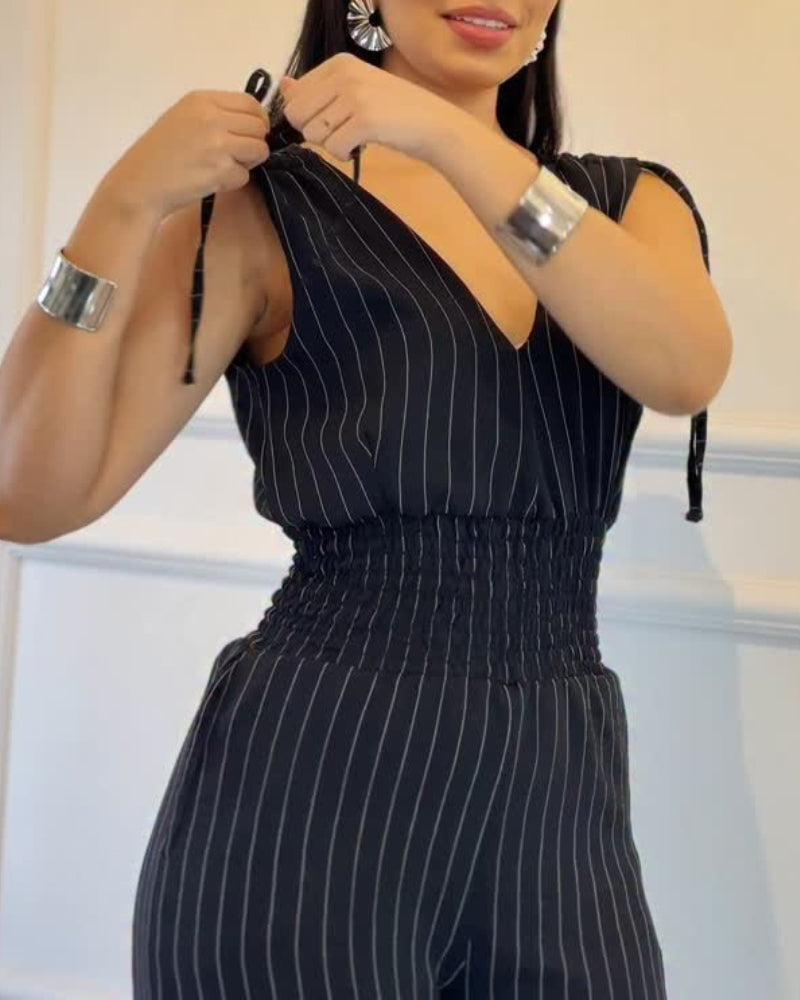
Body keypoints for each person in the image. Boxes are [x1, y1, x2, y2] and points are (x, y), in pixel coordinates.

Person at [0, 0, 732, 995]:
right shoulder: (268, 211)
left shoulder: (630, 204)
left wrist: (445, 135)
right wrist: (119, 210)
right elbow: (29, 494)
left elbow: (684, 367)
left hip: (559, 802)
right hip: (310, 794)